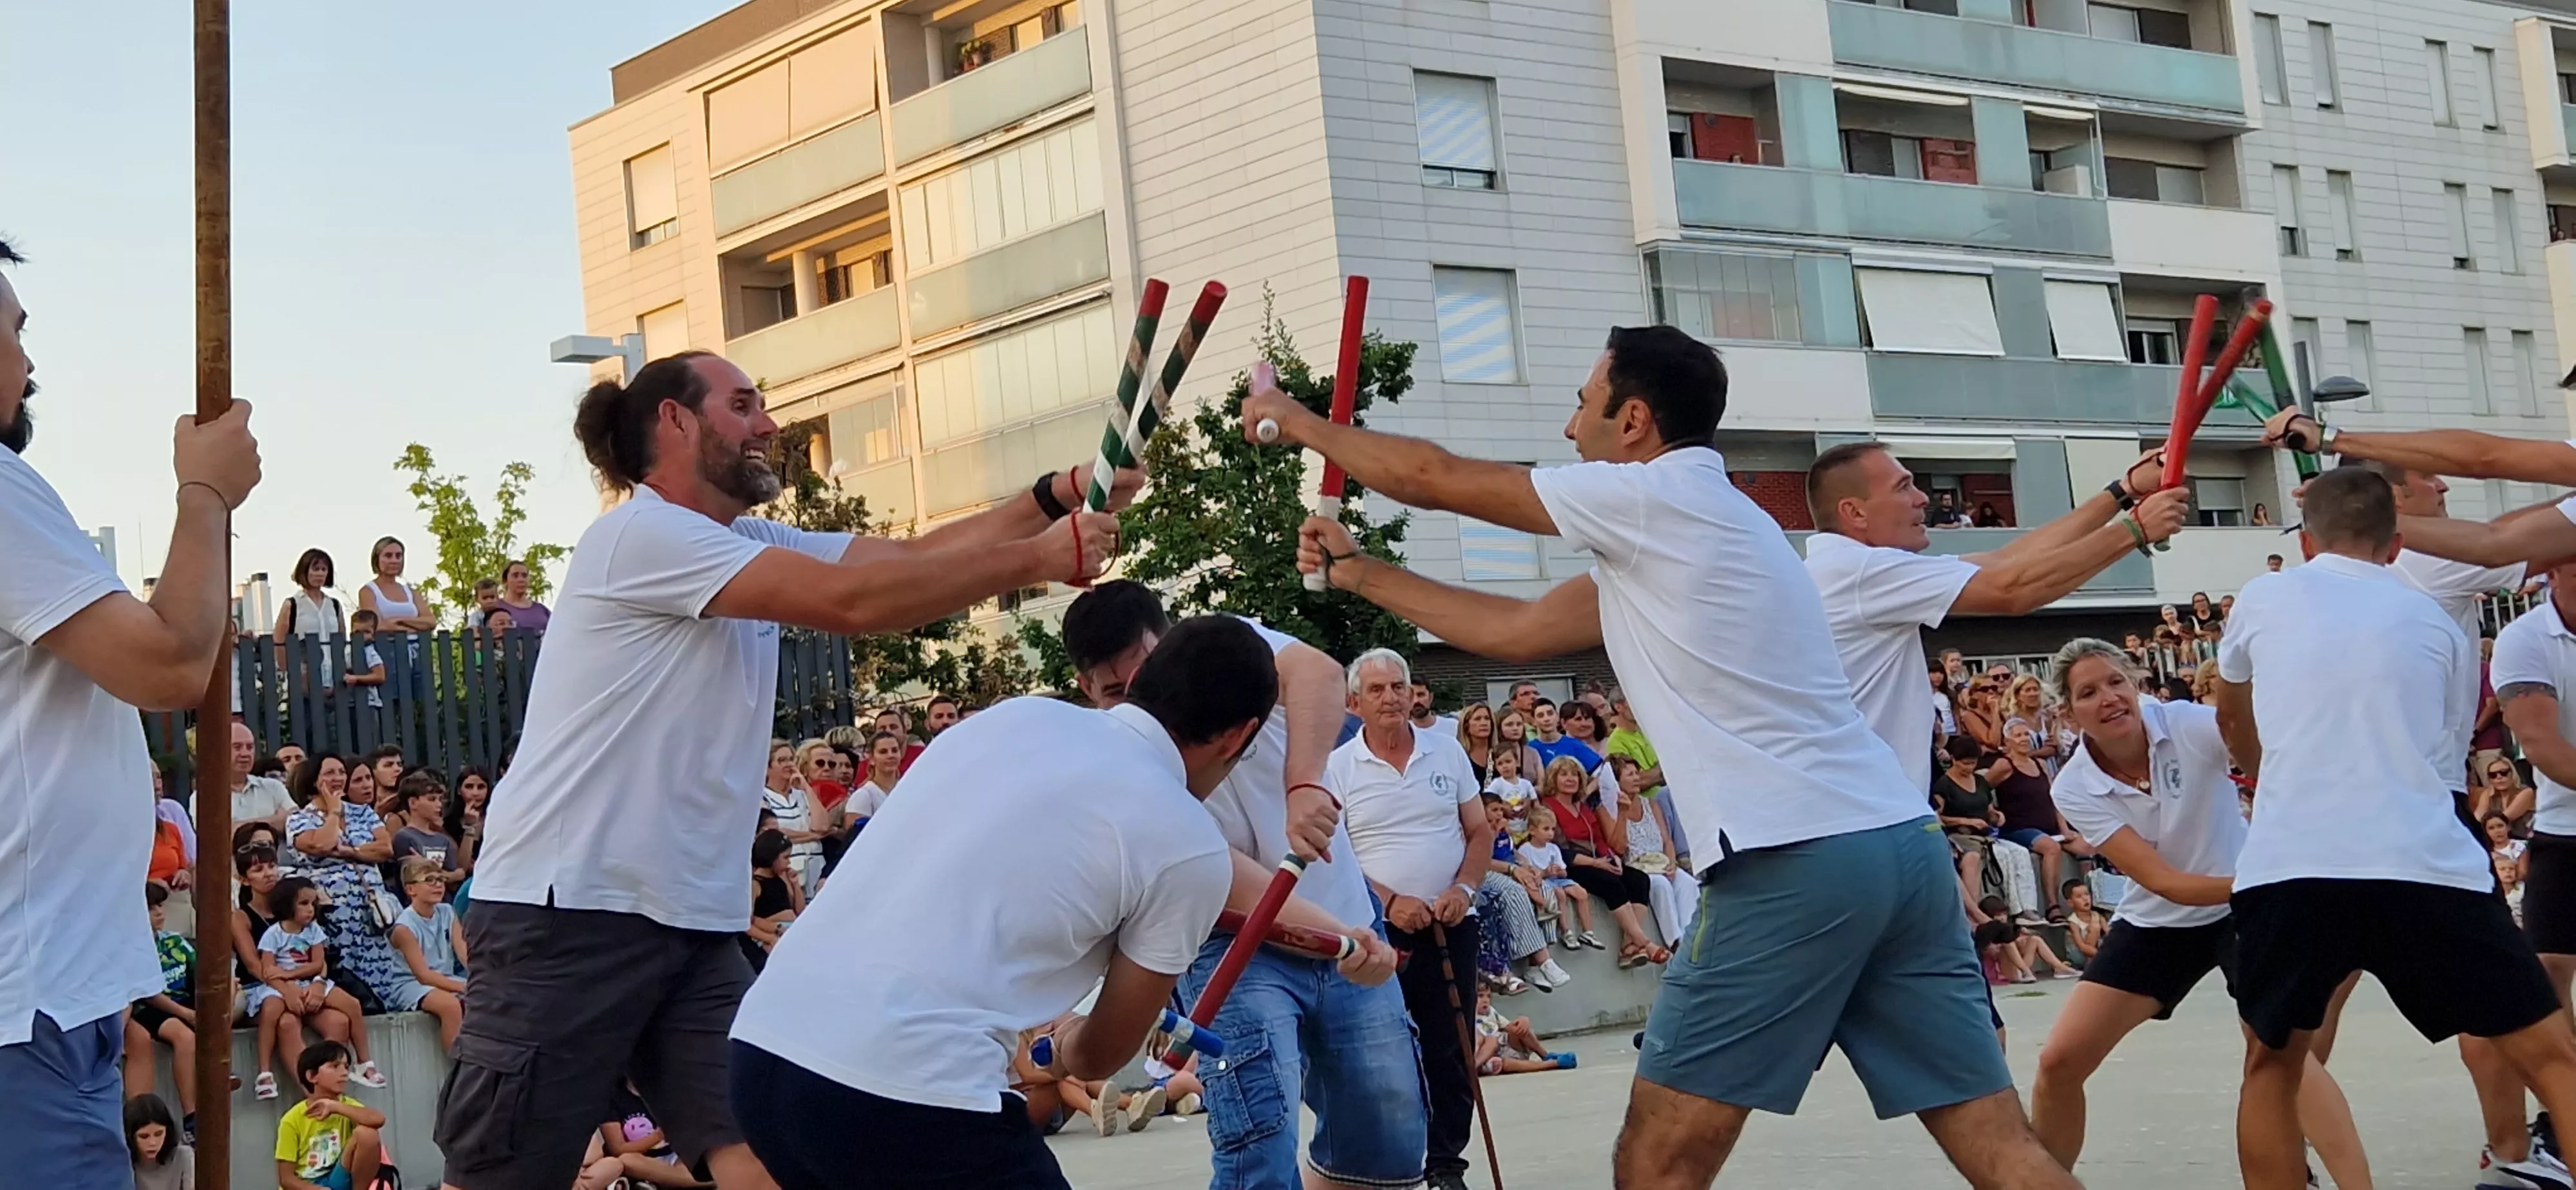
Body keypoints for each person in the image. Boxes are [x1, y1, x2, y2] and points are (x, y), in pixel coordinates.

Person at [1245, 323, 2063, 1188]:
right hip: (1896, 847)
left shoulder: (1653, 501)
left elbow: (1435, 479)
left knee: (1656, 1166)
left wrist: (1296, 420)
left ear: (1633, 420)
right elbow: (1517, 632)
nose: (1570, 431)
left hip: (1794, 857)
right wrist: (1361, 573)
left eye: (1581, 407)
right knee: (2000, 1147)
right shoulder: (1710, 524)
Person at [436, 349, 1130, 1189]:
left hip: (692, 925)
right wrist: (1040, 559)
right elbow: (855, 604)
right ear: (675, 421)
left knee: (767, 1156)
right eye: (743, 405)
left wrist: (1053, 495)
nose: (769, 425)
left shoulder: (744, 539)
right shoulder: (640, 534)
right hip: (569, 913)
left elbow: (904, 564)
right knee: (502, 1178)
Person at [728, 617, 1272, 1189]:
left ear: (1138, 676)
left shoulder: (1014, 717)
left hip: (765, 1049)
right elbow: (1101, 1053)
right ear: (1238, 736)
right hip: (906, 1091)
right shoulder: (1189, 843)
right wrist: (1062, 1046)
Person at [2214, 466, 2576, 1190]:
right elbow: (2438, 751)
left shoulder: (2261, 596)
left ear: (2307, 538)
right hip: (2419, 856)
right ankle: (2514, 1149)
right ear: (2396, 539)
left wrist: (2270, 775)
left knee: (2272, 1065)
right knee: (2550, 1055)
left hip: (2298, 859)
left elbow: (2231, 713)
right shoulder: (2435, 623)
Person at [0, 236, 263, 1184]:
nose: (30, 366)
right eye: (14, 333)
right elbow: (169, 663)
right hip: (27, 1008)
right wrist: (206, 493)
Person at [1053, 583, 1410, 1190]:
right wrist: (1345, 942)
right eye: (1117, 693)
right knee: (1259, 1138)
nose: (1148, 706)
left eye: (1146, 675)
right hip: (1235, 950)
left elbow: (1318, 673)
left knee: (1387, 1138)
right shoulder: (1115, 766)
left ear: (1165, 644)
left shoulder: (1223, 647)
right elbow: (1228, 882)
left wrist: (1304, 784)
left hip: (1343, 911)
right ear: (1086, 688)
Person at [2022, 638, 2375, 1188]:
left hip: (2245, 909)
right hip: (2166, 913)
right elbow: (2167, 883)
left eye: (2117, 681)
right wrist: (2267, 885)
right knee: (2057, 1063)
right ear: (2068, 715)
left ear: (2137, 681)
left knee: (2280, 1053)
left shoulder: (2187, 723)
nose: (2110, 698)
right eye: (2088, 693)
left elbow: (2274, 753)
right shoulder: (2074, 786)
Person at [1333, 648, 1491, 1189]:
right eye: (1376, 690)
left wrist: (1464, 889)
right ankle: (1392, 1163)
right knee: (1387, 1052)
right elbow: (1337, 855)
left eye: (1397, 687)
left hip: (1451, 922)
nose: (1391, 698)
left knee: (1454, 1045)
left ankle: (1447, 1163)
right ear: (1354, 703)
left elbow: (1480, 832)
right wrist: (1388, 901)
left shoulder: (1446, 752)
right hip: (1379, 931)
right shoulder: (1337, 768)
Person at [284, 755, 406, 1006]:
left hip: (371, 915)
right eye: (330, 773)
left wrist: (351, 852)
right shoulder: (299, 819)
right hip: (333, 917)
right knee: (347, 982)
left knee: (381, 980)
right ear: (314, 780)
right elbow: (323, 843)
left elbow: (385, 848)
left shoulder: (363, 813)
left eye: (341, 772)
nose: (338, 778)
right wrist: (334, 812)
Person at [253, 878, 385, 1091]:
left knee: (352, 1004)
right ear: (287, 905)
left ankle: (364, 1062)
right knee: (271, 1010)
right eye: (303, 904)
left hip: (309, 981)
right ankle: (265, 1072)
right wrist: (287, 985)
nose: (310, 910)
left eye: (313, 904)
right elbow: (269, 972)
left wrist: (289, 973)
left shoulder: (314, 931)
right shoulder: (273, 934)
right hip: (282, 987)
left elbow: (317, 965)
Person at [124, 884, 205, 1139]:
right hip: (145, 1007)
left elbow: (200, 973)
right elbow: (146, 993)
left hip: (181, 1005)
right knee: (182, 1035)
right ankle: (141, 1120)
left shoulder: (174, 941)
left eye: (160, 906)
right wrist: (186, 1013)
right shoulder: (128, 948)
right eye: (151, 908)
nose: (159, 912)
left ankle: (192, 1114)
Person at [276, 1041, 386, 1190]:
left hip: (340, 1177)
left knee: (368, 1134)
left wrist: (335, 1106)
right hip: (308, 1186)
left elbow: (378, 1119)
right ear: (311, 1076)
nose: (344, 1073)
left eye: (346, 1067)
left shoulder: (346, 1106)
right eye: (335, 1066)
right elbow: (287, 1179)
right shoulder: (292, 1119)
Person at [386, 856, 469, 1050]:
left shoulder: (447, 911)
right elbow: (423, 975)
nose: (438, 885)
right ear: (411, 889)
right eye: (429, 880)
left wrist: (479, 978)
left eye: (440, 880)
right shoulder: (404, 927)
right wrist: (462, 988)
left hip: (444, 977)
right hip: (410, 984)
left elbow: (463, 951)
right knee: (449, 1006)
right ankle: (458, 1066)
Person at [1472, 987, 1576, 1077]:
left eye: (1489, 996)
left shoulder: (1491, 1012)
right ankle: (1554, 1064)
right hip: (1489, 1056)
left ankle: (1545, 1056)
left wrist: (1522, 1021)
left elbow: (1509, 1027)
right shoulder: (1467, 1017)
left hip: (1507, 1045)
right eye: (1480, 996)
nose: (1486, 1000)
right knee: (1497, 1050)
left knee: (1521, 1028)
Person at [741, 829, 802, 973]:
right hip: (771, 935)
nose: (789, 862)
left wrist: (795, 885)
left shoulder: (782, 878)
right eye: (786, 857)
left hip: (789, 930)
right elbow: (747, 922)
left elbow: (798, 911)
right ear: (772, 857)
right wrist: (770, 938)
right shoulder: (755, 884)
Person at [356, 536, 437, 635]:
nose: (394, 560)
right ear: (377, 559)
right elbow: (377, 626)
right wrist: (415, 629)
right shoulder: (368, 591)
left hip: (416, 648)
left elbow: (431, 622)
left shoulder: (412, 593)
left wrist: (399, 620)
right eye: (388, 556)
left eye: (398, 556)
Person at [274, 547, 346, 647]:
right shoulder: (292, 604)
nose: (320, 574)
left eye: (324, 569)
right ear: (305, 571)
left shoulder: (335, 605)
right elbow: (279, 643)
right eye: (316, 569)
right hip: (303, 662)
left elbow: (342, 639)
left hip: (332, 662)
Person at [1524, 697, 1603, 781]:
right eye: (1541, 716)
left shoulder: (1574, 745)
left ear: (1557, 717)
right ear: (1534, 721)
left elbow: (1602, 773)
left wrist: (1586, 793)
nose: (1546, 719)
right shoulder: (1530, 749)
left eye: (1550, 713)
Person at [128, 1093, 193, 1190]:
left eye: (159, 1134)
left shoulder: (183, 1157)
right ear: (130, 1137)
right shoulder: (123, 1164)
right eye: (144, 1136)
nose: (153, 1143)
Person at [496, 558, 552, 633]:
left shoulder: (542, 610)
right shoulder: (496, 608)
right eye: (515, 576)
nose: (521, 580)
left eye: (524, 576)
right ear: (505, 580)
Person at [2060, 881, 2107, 968]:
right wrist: (2101, 955)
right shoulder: (2073, 922)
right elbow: (2081, 946)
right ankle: (2093, 963)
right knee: (2094, 928)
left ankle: (2094, 962)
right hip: (2079, 955)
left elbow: (2109, 934)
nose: (2085, 899)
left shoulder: (2098, 916)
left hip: (2094, 952)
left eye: (2087, 894)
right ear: (2070, 903)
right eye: (2079, 897)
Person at [1456, 703, 1500, 786]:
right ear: (1466, 726)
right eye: (1477, 719)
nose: (1484, 723)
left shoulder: (1501, 753)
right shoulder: (1460, 756)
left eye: (1487, 718)